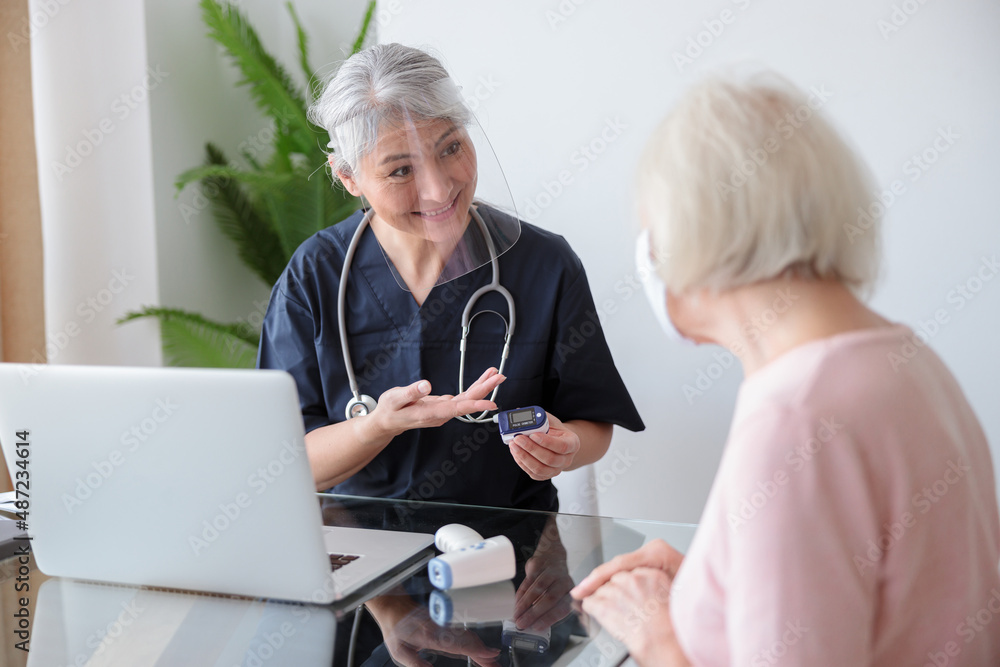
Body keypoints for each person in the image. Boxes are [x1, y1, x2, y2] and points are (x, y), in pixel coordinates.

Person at [570, 71, 1000, 666]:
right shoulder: (908, 361)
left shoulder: (794, 419)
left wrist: (659, 637)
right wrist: (710, 588)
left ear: (693, 238)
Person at [257, 43, 643, 513]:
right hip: (359, 554)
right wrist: (377, 426)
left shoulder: (544, 263)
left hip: (512, 551)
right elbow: (283, 463)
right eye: (401, 170)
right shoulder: (315, 275)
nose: (439, 189)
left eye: (451, 148)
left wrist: (564, 447)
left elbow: (593, 425)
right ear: (348, 177)